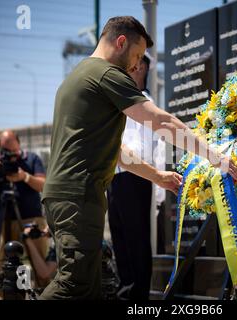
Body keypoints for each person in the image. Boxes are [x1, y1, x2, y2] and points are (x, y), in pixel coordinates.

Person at [41, 16, 237, 300]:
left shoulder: (78, 76)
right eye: (135, 56)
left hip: (66, 195)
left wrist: (157, 177)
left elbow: (117, 152)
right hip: (78, 196)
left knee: (88, 289)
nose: (136, 66)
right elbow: (162, 122)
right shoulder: (107, 74)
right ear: (120, 42)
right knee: (72, 286)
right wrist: (215, 156)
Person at [107, 53, 156, 300]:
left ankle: (138, 298)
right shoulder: (122, 100)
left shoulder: (144, 101)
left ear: (142, 68)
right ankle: (125, 292)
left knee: (136, 240)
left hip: (135, 176)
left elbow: (146, 147)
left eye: (135, 65)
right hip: (115, 176)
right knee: (120, 238)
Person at [0, 130, 47, 281]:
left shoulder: (32, 159)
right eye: (7, 151)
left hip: (31, 220)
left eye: (14, 151)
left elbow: (44, 186)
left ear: (19, 143)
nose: (12, 156)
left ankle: (37, 292)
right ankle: (6, 294)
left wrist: (25, 177)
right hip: (2, 221)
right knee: (4, 268)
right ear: (0, 148)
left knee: (38, 264)